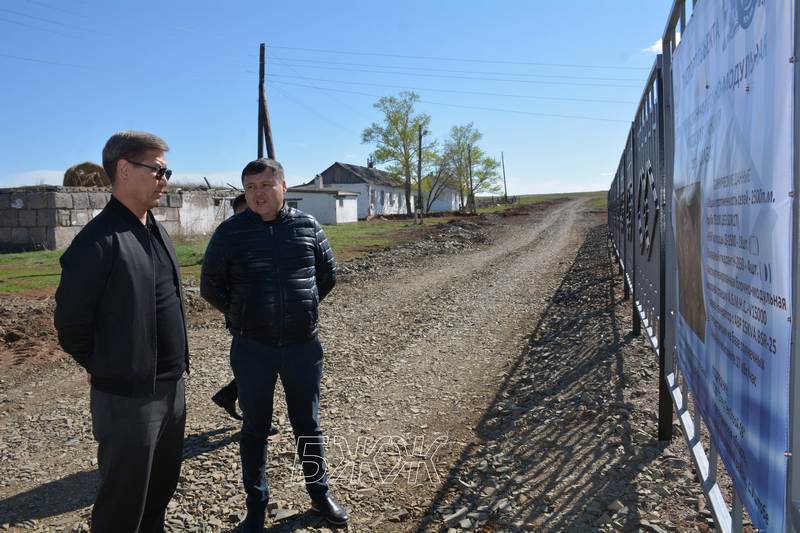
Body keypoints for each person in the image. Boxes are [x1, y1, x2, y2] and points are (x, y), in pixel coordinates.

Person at [201, 158, 348, 530]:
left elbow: (327, 276)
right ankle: (256, 507)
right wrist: (243, 315)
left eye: (266, 185)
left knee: (308, 425)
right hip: (253, 349)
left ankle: (319, 495)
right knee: (255, 429)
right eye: (250, 188)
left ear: (283, 186)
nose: (258, 194)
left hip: (303, 347)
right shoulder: (230, 233)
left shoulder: (307, 226)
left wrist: (301, 308)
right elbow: (210, 286)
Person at [54, 131, 189, 532]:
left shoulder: (154, 230)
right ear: (125, 170)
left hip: (171, 387)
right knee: (123, 503)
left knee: (159, 491)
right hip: (129, 398)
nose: (165, 181)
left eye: (167, 172)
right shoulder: (97, 241)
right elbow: (71, 326)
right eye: (159, 171)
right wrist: (108, 366)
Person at [210, 194, 279, 435]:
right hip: (244, 319)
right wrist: (237, 312)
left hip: (268, 317)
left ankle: (230, 395)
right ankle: (254, 421)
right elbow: (214, 285)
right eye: (242, 213)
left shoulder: (264, 236)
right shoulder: (230, 239)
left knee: (263, 367)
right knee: (256, 368)